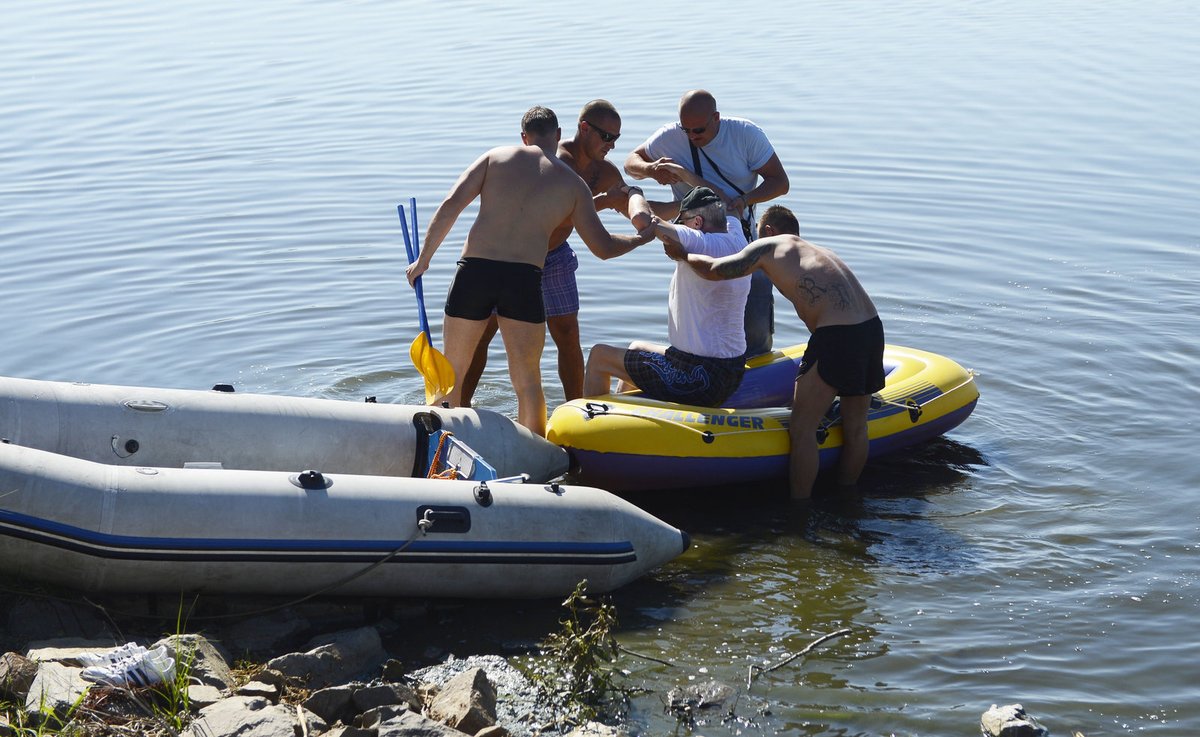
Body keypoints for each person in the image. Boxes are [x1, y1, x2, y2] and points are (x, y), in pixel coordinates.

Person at [406, 106, 652, 437]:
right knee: (527, 382)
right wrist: (639, 238)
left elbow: (451, 204)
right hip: (522, 279)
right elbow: (604, 247)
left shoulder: (495, 157)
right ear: (559, 135)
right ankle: (535, 452)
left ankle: (442, 445)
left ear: (523, 137)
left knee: (453, 373)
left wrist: (424, 259)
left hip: (474, 271)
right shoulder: (573, 184)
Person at [664, 204, 884, 500]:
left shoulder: (767, 246)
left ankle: (799, 510)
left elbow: (717, 271)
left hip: (838, 335)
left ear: (768, 230)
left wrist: (683, 255)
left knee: (802, 428)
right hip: (871, 328)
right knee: (856, 427)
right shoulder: (817, 250)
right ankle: (848, 499)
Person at [459, 100, 653, 405]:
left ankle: (574, 408)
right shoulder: (553, 159)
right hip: (517, 257)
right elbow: (560, 214)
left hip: (556, 255)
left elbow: (632, 206)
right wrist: (604, 201)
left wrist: (667, 213)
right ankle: (461, 406)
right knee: (484, 333)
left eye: (616, 139)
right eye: (607, 137)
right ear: (583, 128)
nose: (612, 145)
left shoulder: (604, 170)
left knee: (567, 333)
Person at [624, 89, 790, 358]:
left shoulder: (745, 135)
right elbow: (630, 162)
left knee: (752, 318)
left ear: (716, 118)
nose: (691, 137)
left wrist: (745, 200)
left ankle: (752, 370)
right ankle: (699, 373)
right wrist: (650, 169)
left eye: (698, 130)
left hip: (737, 237)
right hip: (693, 239)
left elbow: (780, 183)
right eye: (685, 129)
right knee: (700, 322)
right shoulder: (670, 136)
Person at [582, 186, 750, 407]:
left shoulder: (698, 241)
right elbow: (732, 207)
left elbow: (643, 220)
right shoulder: (738, 235)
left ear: (697, 223)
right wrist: (682, 174)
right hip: (730, 370)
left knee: (599, 357)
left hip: (700, 376)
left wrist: (633, 191)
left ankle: (590, 431)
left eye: (683, 222)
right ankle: (624, 423)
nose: (678, 227)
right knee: (636, 348)